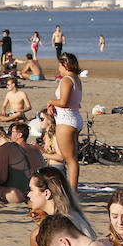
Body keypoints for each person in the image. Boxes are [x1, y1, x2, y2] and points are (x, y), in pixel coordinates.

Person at [46, 53, 83, 189]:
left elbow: (63, 101)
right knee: (73, 158)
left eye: (60, 65)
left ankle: (73, 191)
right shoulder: (76, 79)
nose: (59, 68)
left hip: (66, 120)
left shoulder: (66, 80)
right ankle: (73, 188)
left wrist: (50, 101)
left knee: (70, 159)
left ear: (65, 65)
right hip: (74, 117)